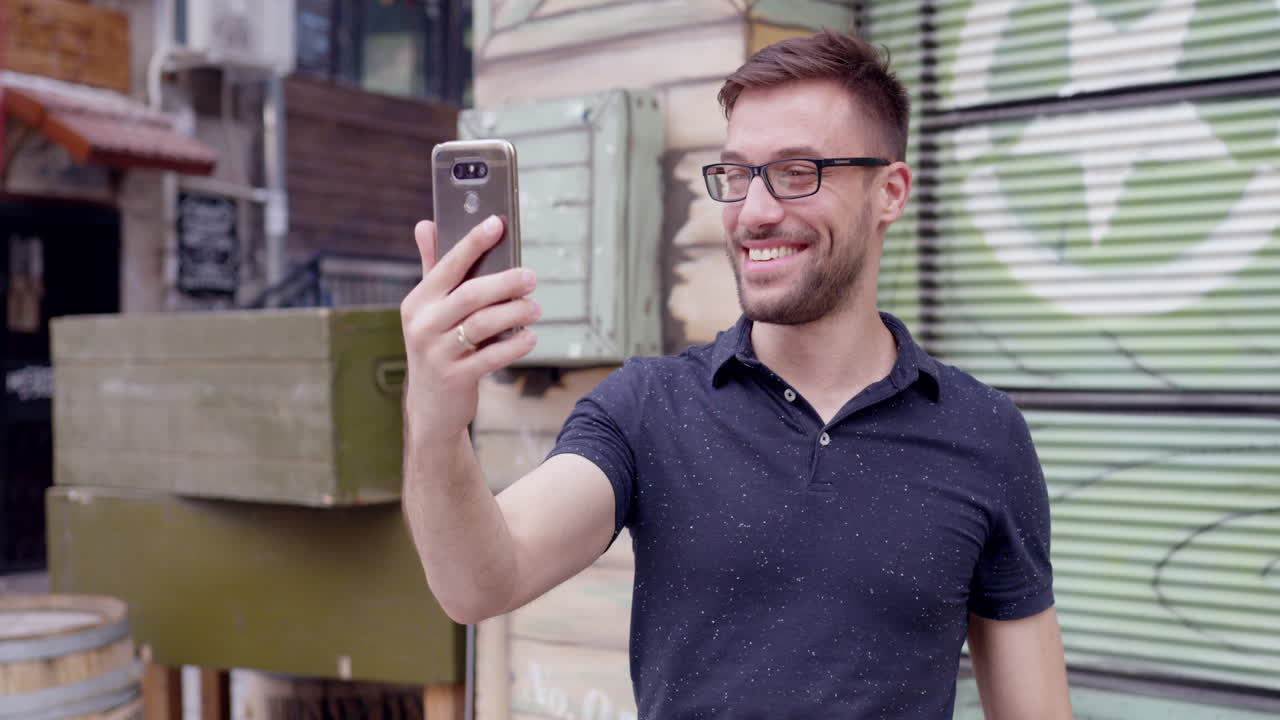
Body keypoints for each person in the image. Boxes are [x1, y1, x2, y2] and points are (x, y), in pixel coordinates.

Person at [400, 29, 1072, 720]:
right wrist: (435, 415)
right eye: (737, 174)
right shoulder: (647, 408)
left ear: (890, 192)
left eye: (796, 172)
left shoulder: (983, 435)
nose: (753, 212)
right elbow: (479, 582)